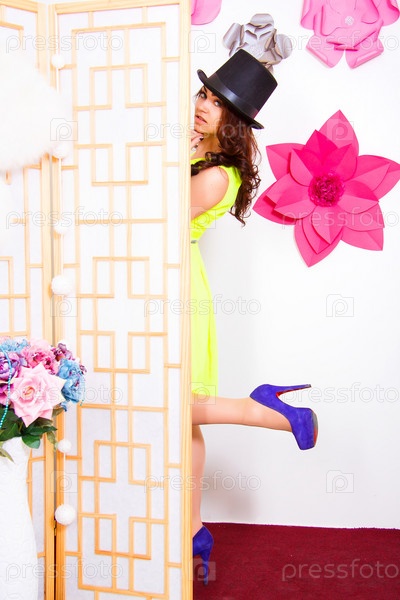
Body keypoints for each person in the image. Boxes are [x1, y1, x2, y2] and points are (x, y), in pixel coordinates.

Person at [190, 50, 318, 585]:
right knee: (183, 421)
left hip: (175, 289)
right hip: (162, 283)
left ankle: (264, 410)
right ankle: (193, 529)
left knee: (175, 406)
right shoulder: (199, 160)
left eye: (218, 104)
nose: (203, 106)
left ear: (235, 122)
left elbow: (150, 218)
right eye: (203, 94)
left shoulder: (215, 175)